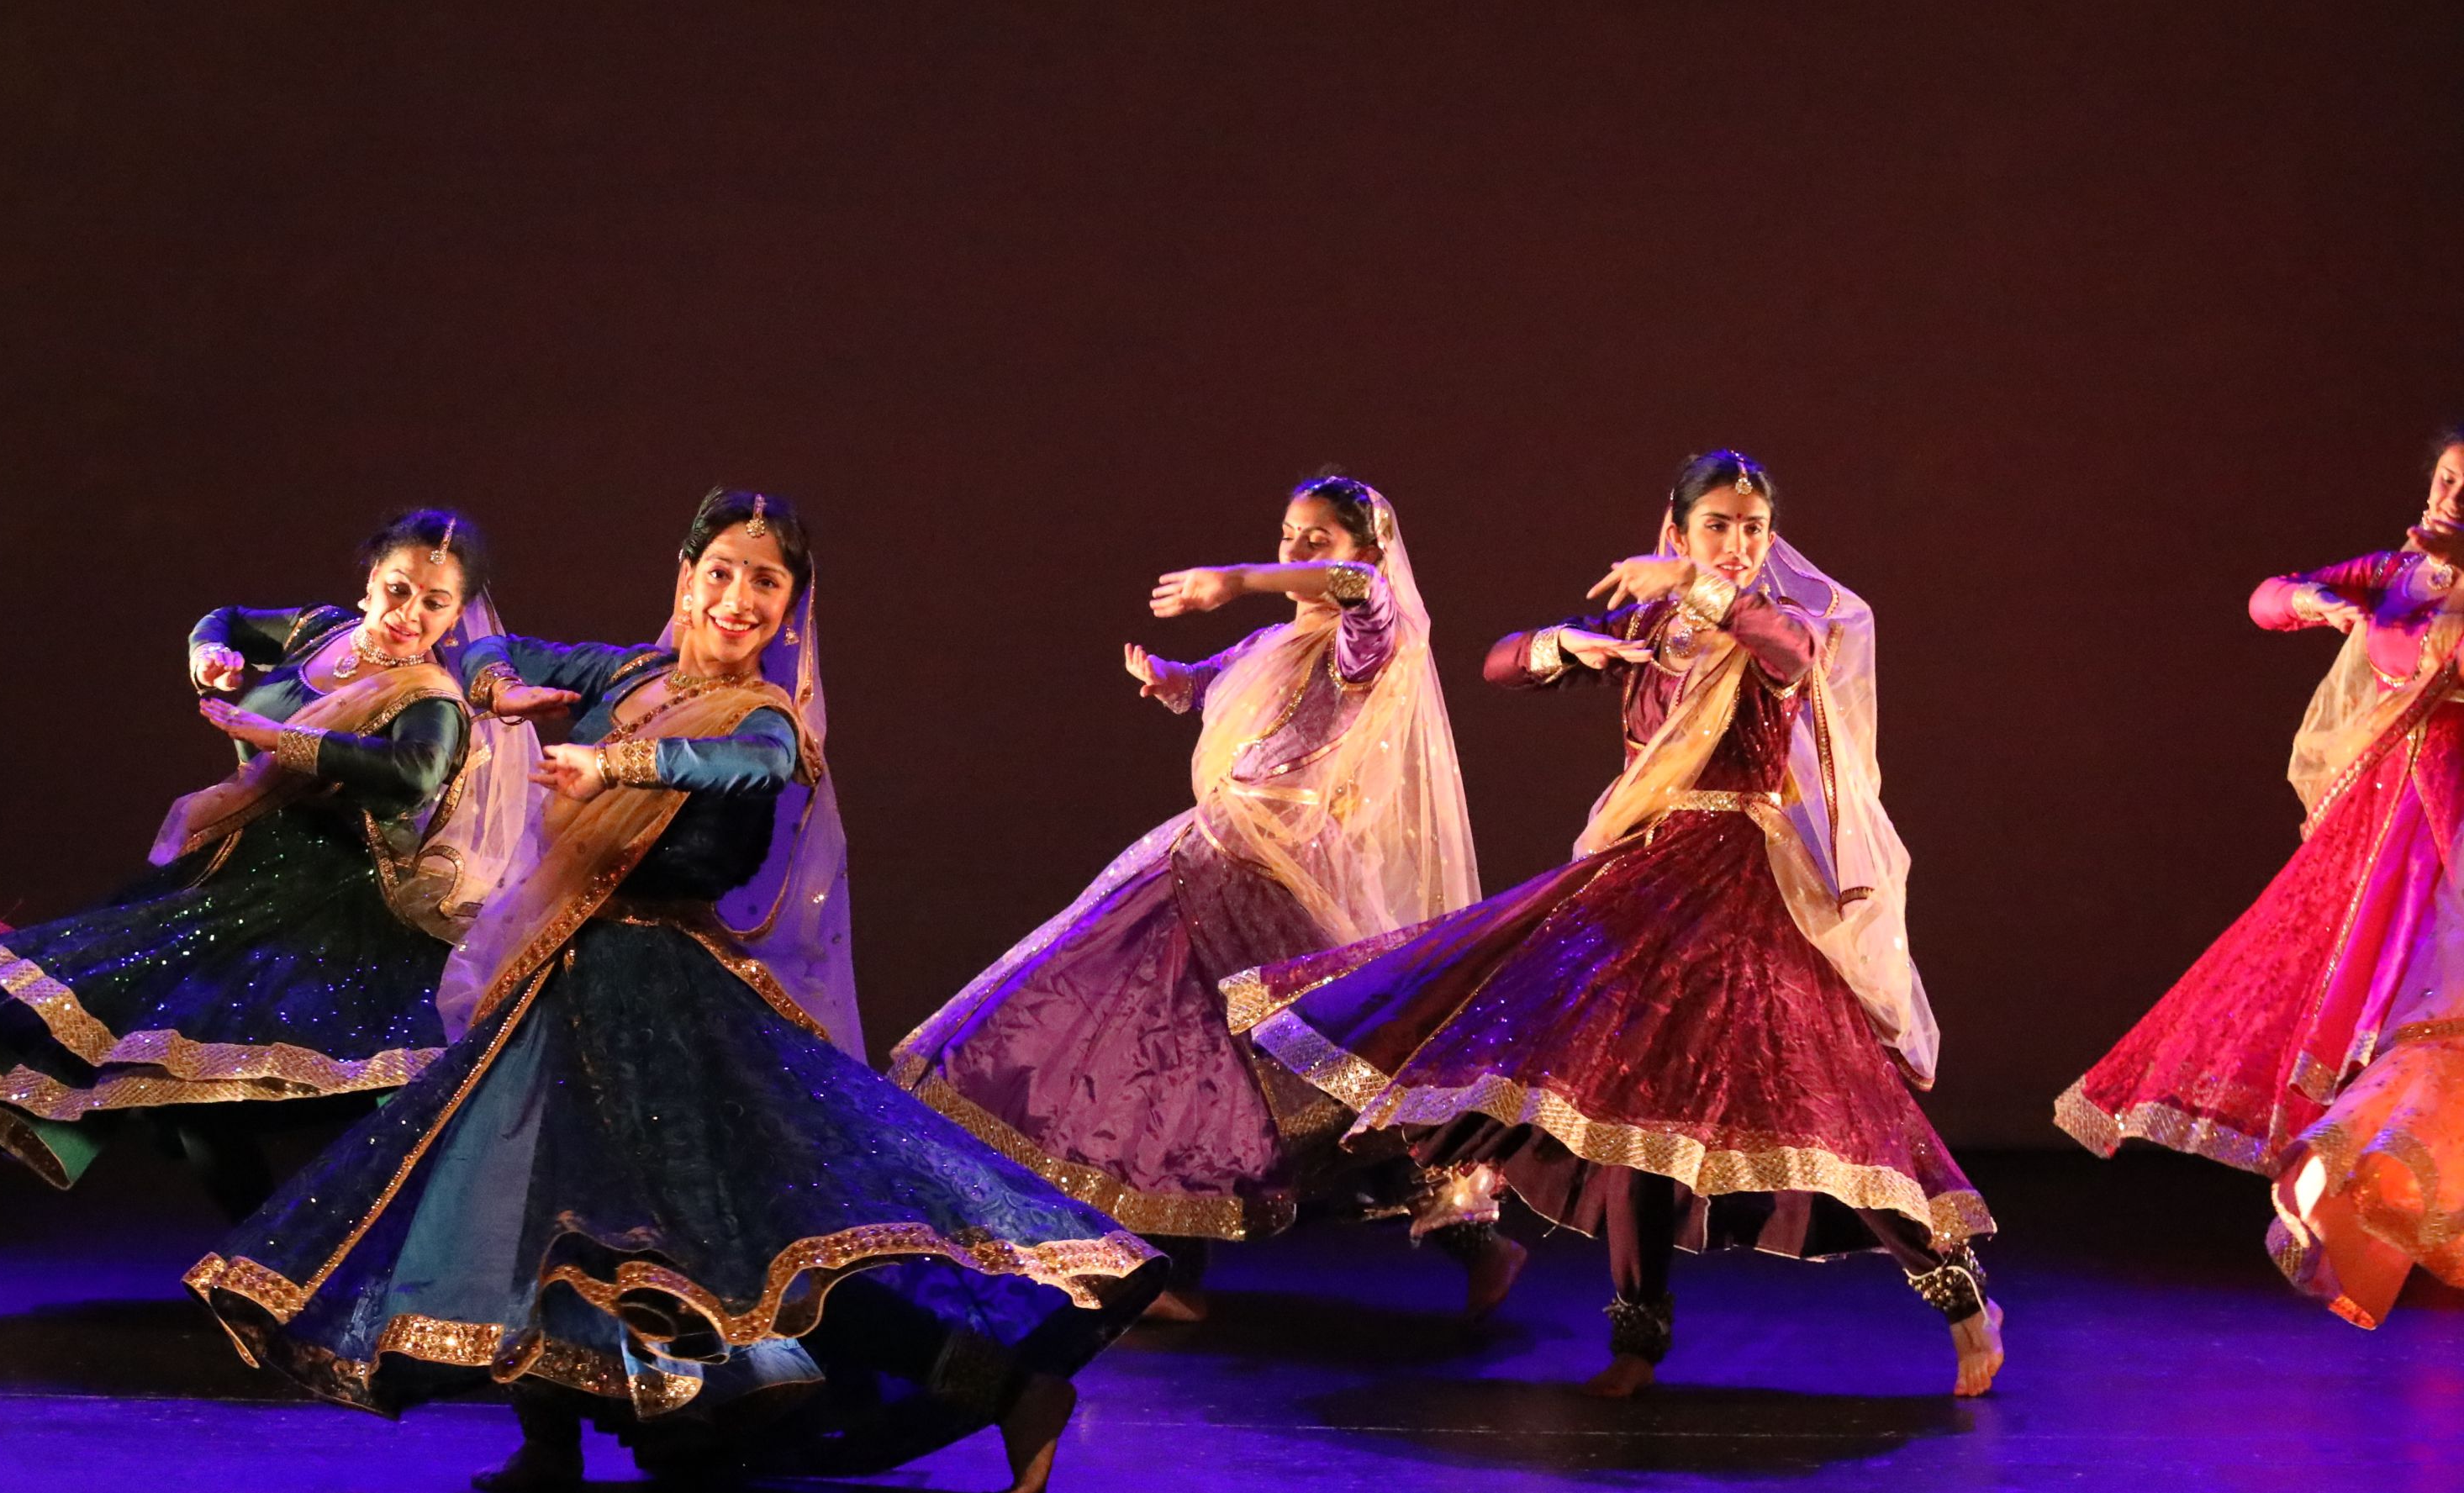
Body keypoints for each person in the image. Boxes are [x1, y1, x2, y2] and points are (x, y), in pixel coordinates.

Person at [187, 491, 1161, 1493]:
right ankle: (551, 1442)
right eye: (721, 572)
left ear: (791, 608)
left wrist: (611, 761)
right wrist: (507, 686)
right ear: (685, 575)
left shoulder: (768, 720)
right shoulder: (627, 672)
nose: (738, 598)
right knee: (519, 1207)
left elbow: (733, 767)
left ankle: (1012, 1389)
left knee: (743, 1247)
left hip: (672, 1007)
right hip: (562, 984)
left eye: (766, 581)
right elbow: (486, 643)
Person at [1231, 451, 2000, 1397]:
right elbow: (1498, 664)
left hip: (1744, 886)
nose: (1737, 542)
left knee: (1820, 1093)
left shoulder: (1776, 622)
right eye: (1715, 524)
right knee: (1621, 1103)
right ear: (1675, 528)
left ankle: (1960, 1297)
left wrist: (1694, 584)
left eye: (1751, 527)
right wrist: (1563, 645)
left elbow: (1794, 658)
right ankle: (1637, 1335)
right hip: (1642, 873)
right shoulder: (1647, 617)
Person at [892, 473, 1479, 1316]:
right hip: (1213, 859)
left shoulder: (1367, 643)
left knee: (1318, 1075)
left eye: (1319, 538)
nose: (1298, 550)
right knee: (1170, 1055)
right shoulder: (1276, 644)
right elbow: (1219, 683)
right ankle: (1153, 1263)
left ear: (1364, 547)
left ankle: (1471, 1238)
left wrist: (1237, 579)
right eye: (1288, 533)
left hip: (1273, 875)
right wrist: (1173, 679)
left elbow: (1365, 591)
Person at [0, 509, 529, 1222]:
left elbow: (415, 774)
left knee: (204, 1088)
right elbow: (223, 619)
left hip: (321, 904)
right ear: (369, 584)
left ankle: (289, 1252)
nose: (408, 613)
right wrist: (208, 653)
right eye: (397, 588)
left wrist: (278, 737)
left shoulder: (430, 698)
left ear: (455, 617)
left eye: (433, 602)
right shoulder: (318, 631)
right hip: (227, 878)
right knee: (138, 1051)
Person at [2066, 428, 2464, 1327]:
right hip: (2377, 836)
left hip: (2454, 825)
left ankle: (2374, 1211)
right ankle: (2353, 1213)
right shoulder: (2398, 570)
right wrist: (2316, 600)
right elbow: (2264, 598)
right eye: (2445, 479)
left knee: (2438, 1010)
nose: (2450, 500)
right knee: (2372, 1008)